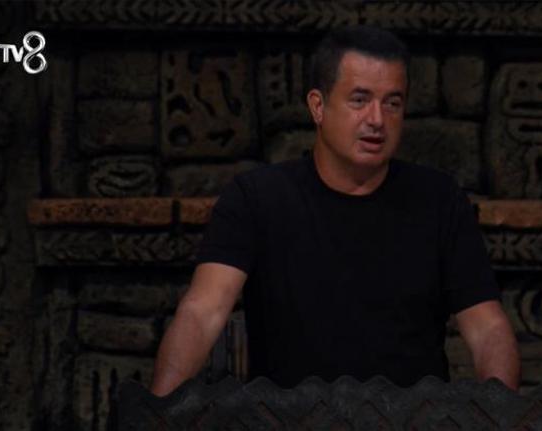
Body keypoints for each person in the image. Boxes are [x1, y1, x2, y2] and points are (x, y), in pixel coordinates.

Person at [151, 25, 519, 396]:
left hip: (411, 416)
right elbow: (203, 311)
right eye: (359, 100)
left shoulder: (439, 199)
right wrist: (160, 409)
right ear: (318, 106)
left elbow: (486, 327)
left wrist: (500, 410)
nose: (377, 119)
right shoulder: (256, 198)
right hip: (286, 416)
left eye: (392, 103)